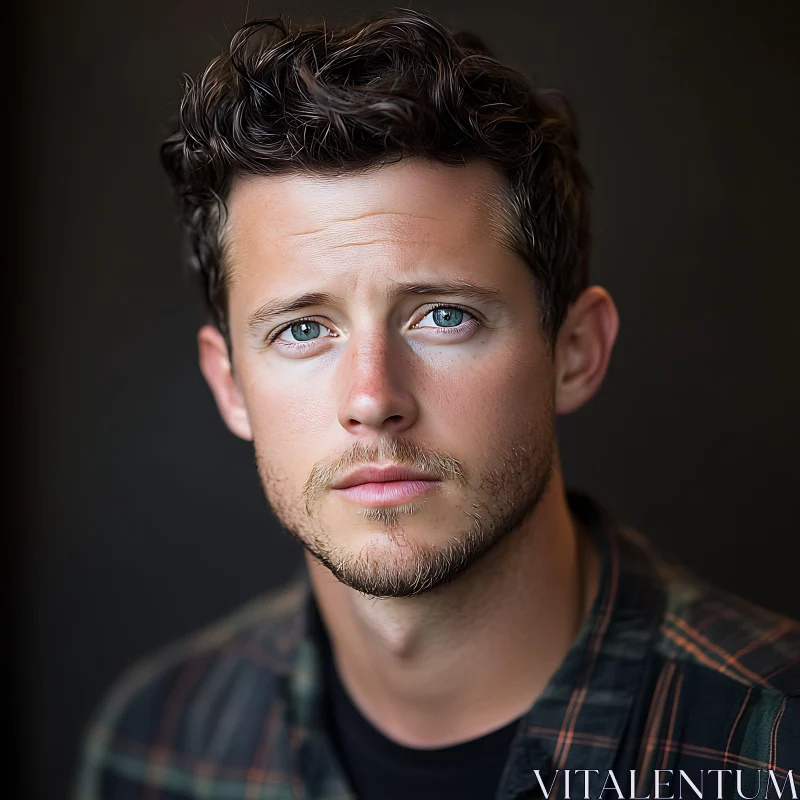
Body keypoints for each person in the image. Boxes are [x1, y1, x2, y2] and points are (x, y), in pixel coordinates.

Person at [75, 9, 800, 800]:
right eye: (304, 329)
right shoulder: (155, 742)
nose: (372, 399)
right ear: (230, 385)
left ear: (576, 351)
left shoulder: (775, 745)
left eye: (444, 316)